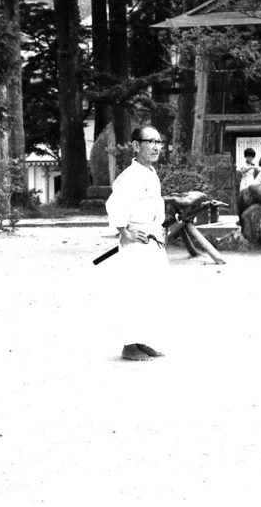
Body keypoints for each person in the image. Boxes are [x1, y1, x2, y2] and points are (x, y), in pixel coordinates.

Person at [104, 125, 168, 361]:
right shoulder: (130, 176)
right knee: (132, 292)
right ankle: (129, 345)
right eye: (150, 141)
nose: (156, 147)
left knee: (150, 293)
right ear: (136, 145)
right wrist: (124, 231)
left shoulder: (149, 172)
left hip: (152, 238)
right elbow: (114, 204)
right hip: (136, 241)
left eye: (159, 142)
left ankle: (142, 340)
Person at [236, 147, 261, 218]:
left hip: (251, 181)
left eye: (252, 157)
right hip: (245, 182)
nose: (250, 158)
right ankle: (241, 216)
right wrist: (251, 167)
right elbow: (243, 171)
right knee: (243, 199)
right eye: (249, 156)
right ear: (246, 156)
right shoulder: (243, 164)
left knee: (252, 199)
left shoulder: (253, 164)